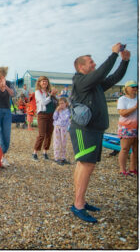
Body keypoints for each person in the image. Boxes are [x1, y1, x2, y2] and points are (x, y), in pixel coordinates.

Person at [70, 43, 130, 223]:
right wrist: (113, 55)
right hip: (84, 131)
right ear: (82, 67)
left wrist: (124, 61)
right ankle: (78, 205)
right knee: (86, 165)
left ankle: (79, 200)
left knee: (85, 165)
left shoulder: (93, 84)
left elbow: (112, 78)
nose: (94, 64)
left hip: (94, 130)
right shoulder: (80, 80)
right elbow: (102, 72)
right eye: (91, 62)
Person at [32, 76, 57, 161]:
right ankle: (35, 153)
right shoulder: (37, 92)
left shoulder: (49, 92)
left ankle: (45, 152)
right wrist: (51, 96)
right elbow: (43, 102)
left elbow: (55, 102)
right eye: (43, 81)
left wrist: (54, 96)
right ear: (39, 82)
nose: (44, 83)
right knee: (41, 134)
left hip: (51, 114)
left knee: (49, 134)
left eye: (46, 81)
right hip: (42, 115)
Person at [117, 80, 138, 176]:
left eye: (136, 86)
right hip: (126, 127)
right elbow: (122, 113)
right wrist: (135, 107)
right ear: (126, 88)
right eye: (132, 87)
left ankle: (133, 168)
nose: (135, 88)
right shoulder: (123, 99)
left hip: (137, 127)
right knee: (125, 148)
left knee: (136, 149)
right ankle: (122, 169)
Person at [53, 97, 71, 165]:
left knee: (64, 143)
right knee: (57, 142)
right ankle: (56, 157)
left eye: (62, 103)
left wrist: (60, 111)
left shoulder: (67, 111)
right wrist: (56, 111)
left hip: (64, 128)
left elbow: (64, 118)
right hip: (57, 127)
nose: (61, 105)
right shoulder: (58, 110)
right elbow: (54, 118)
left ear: (66, 104)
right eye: (59, 104)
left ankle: (63, 157)